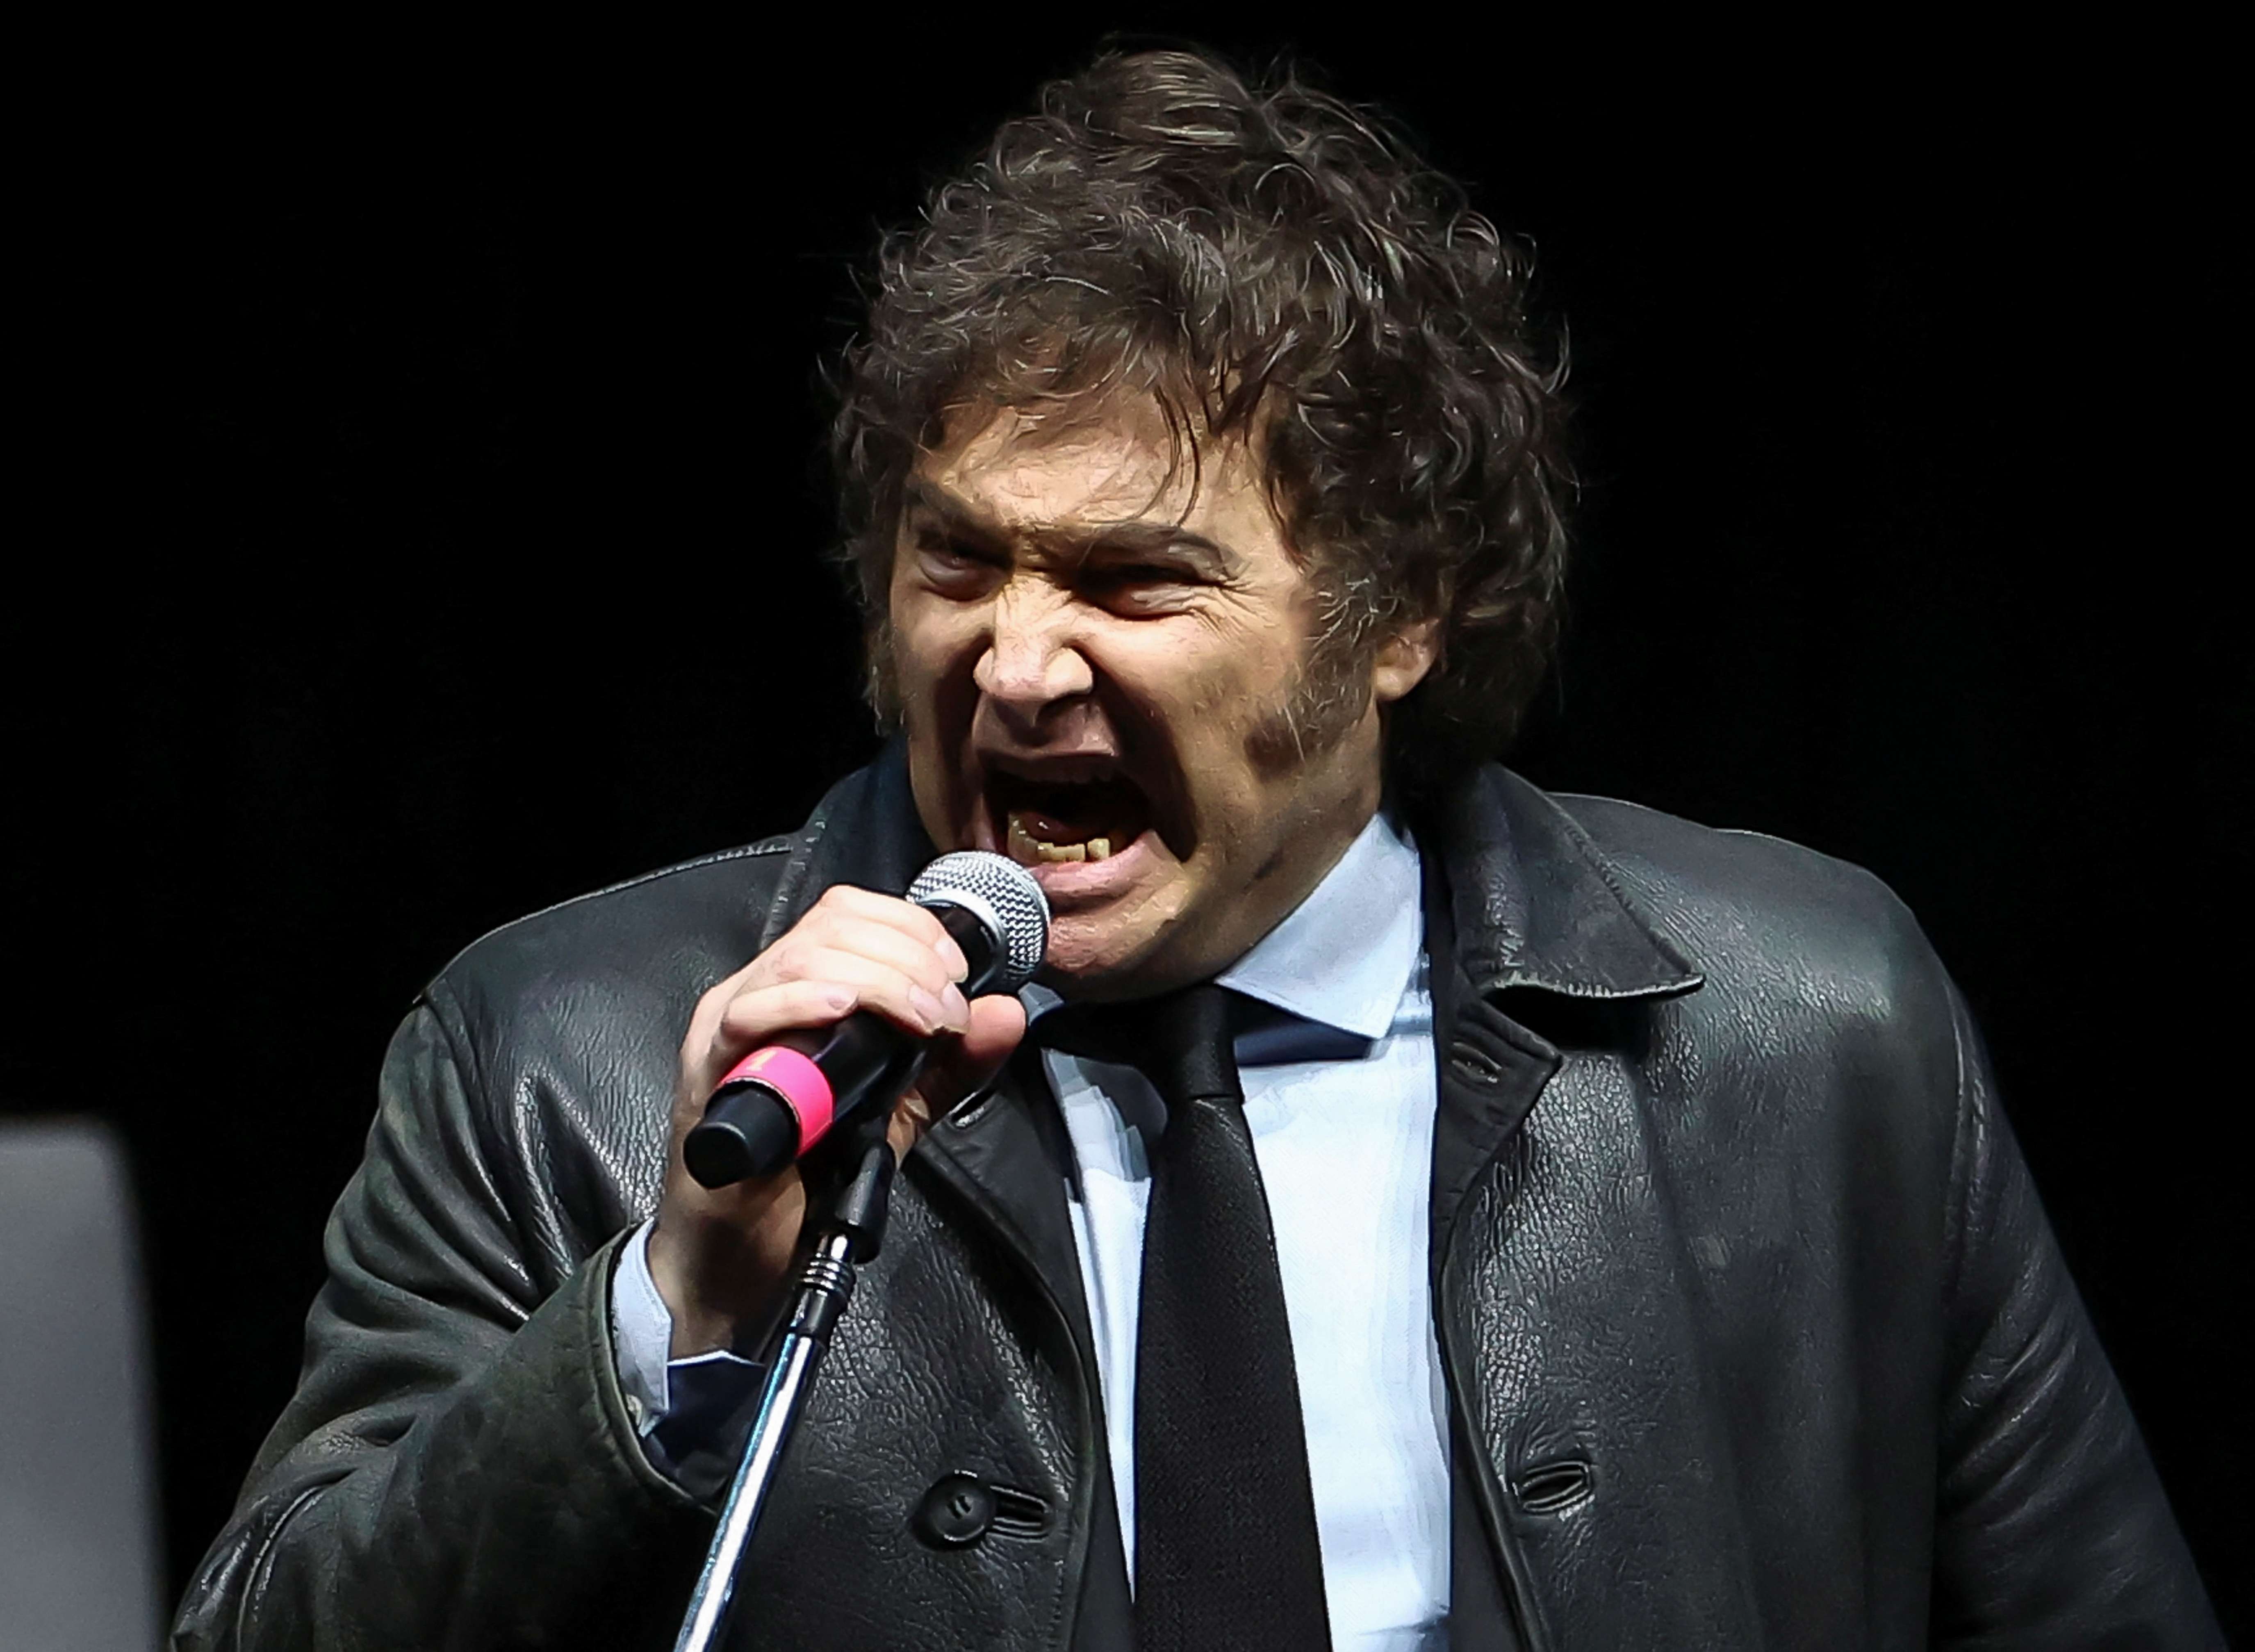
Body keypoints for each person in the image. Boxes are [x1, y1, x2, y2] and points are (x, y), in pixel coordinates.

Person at [173, 48, 2221, 1652]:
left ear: (1396, 616)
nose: (1016, 662)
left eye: (1136, 585)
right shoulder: (565, 1058)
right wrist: (671, 1315)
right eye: (954, 560)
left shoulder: (1812, 1022)